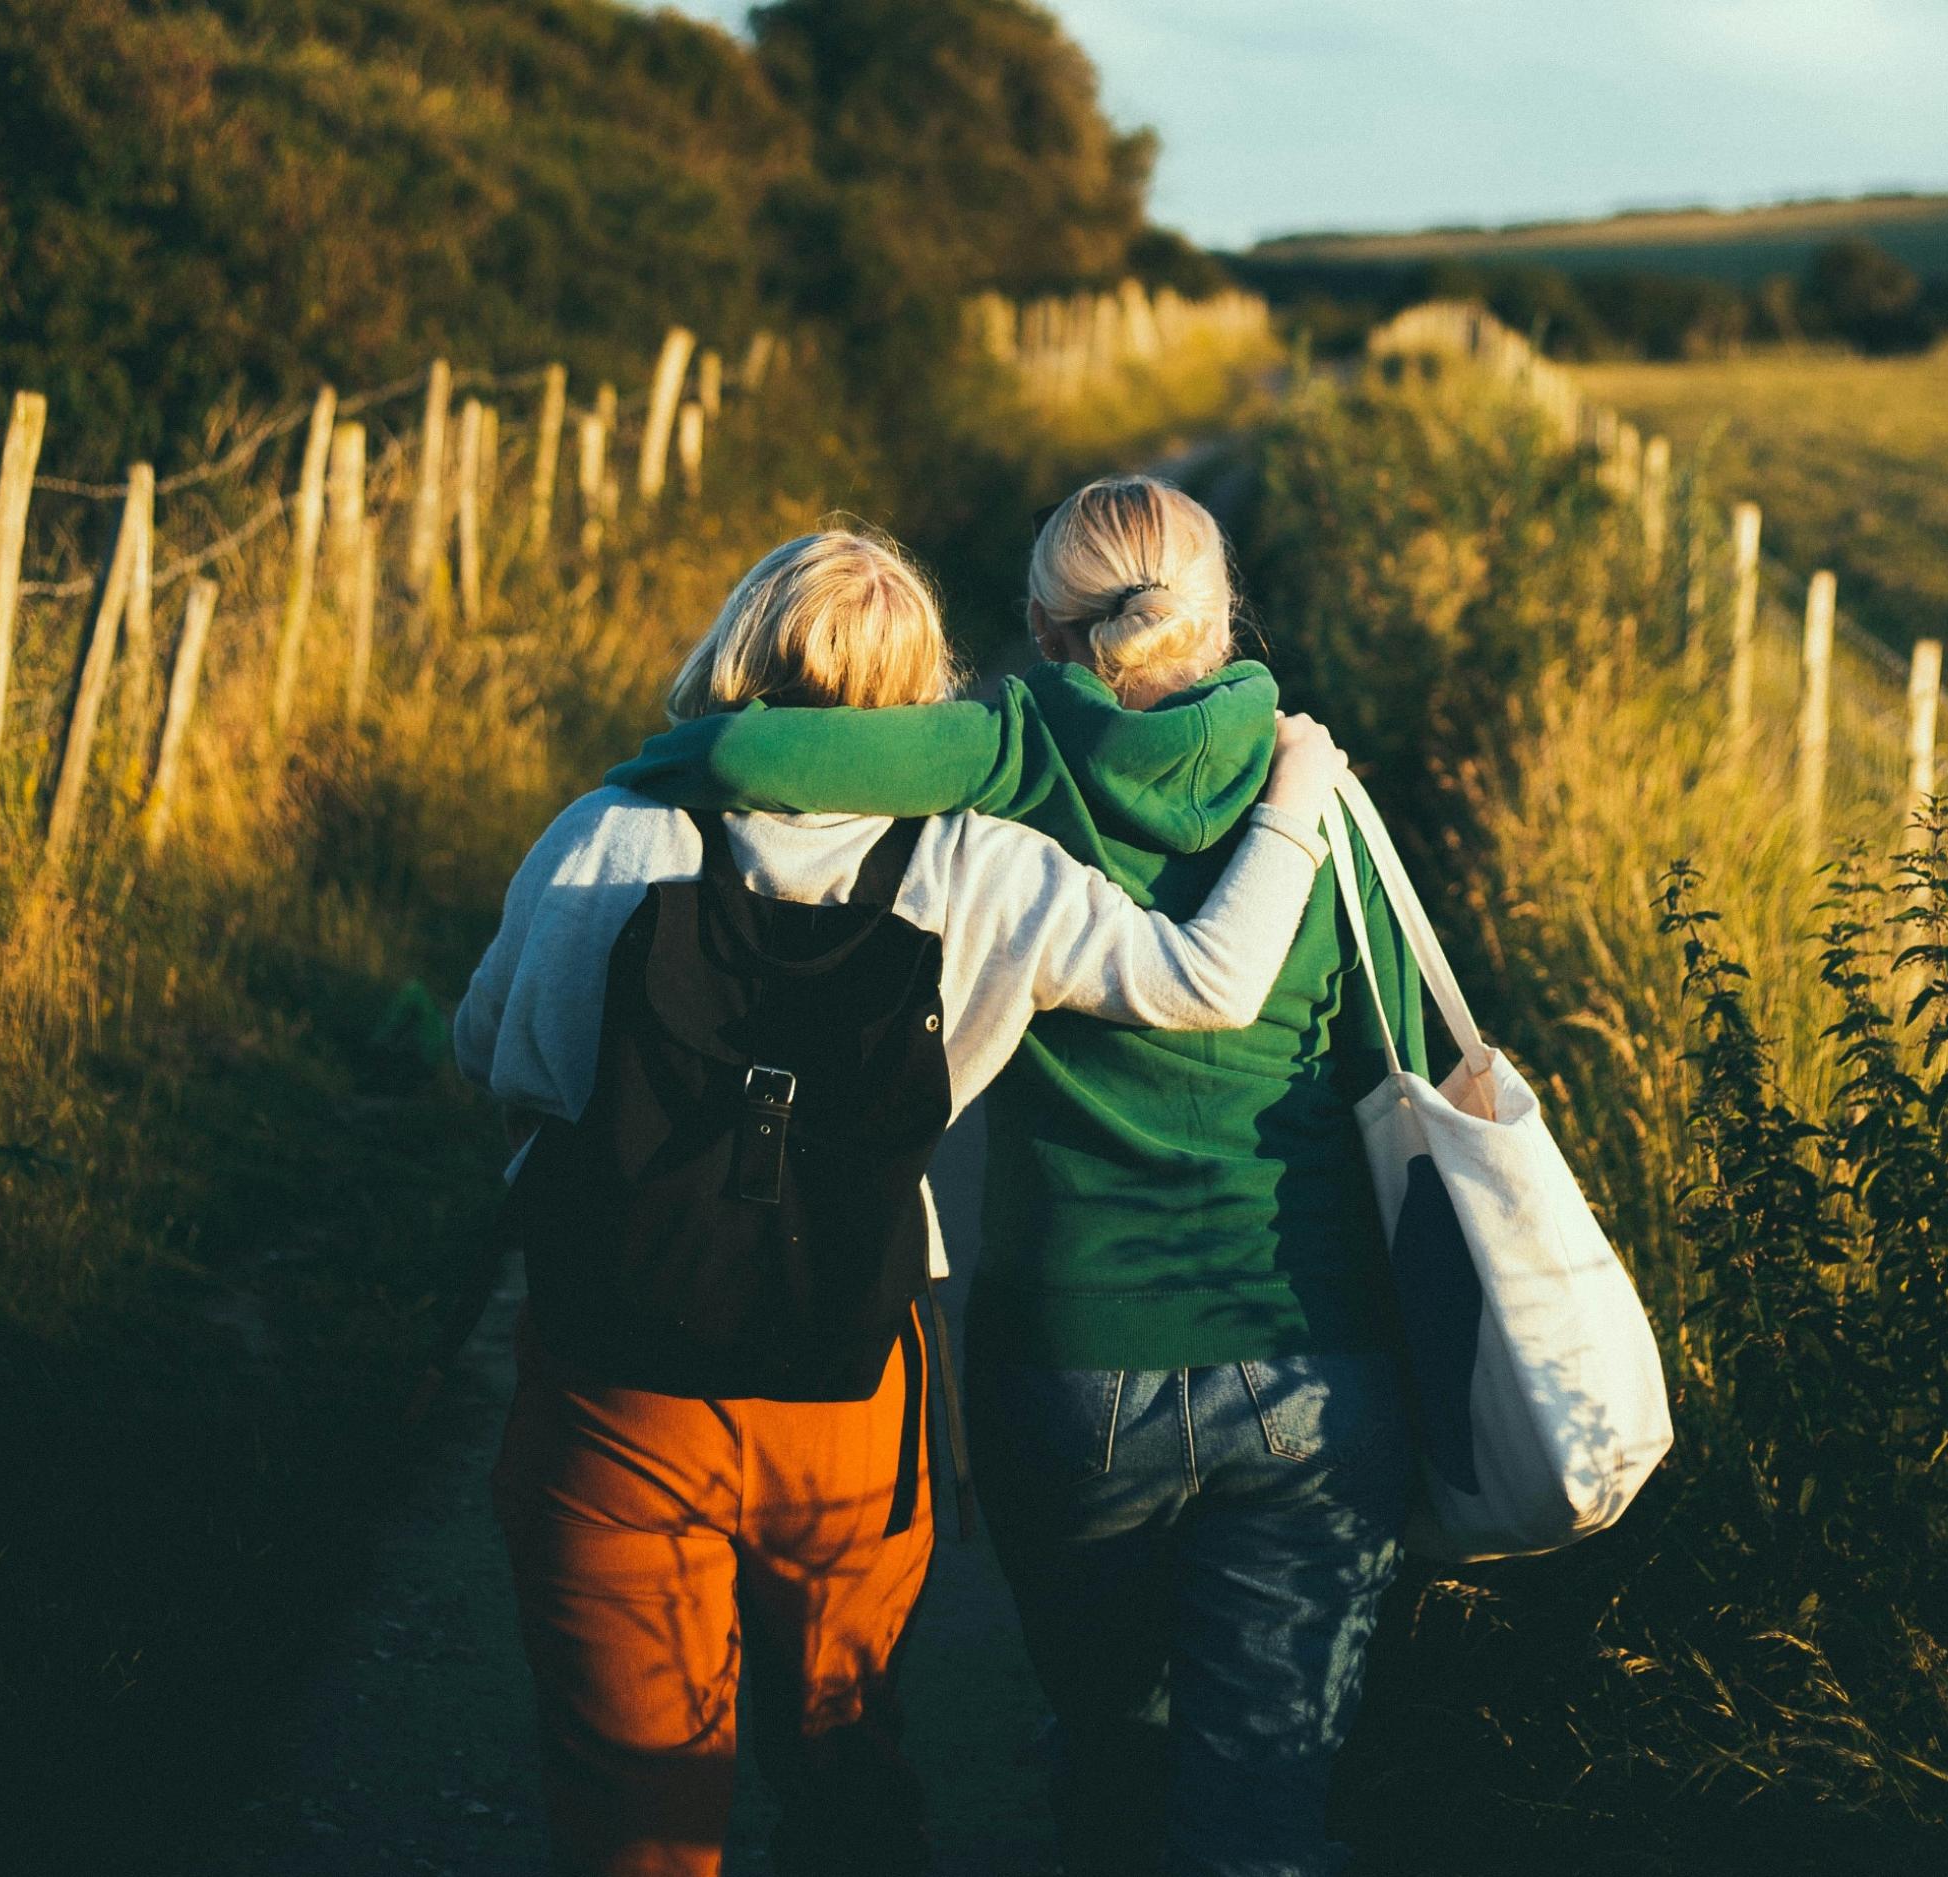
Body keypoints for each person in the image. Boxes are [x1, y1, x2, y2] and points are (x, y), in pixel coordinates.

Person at [453, 524, 1351, 1877]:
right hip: (850, 1378)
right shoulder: (981, 863)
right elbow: (1201, 981)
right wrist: (1295, 796)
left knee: (627, 1793)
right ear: (927, 691)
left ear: (737, 648)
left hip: (612, 1380)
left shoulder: (611, 827)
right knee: (842, 1746)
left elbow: (491, 1051)